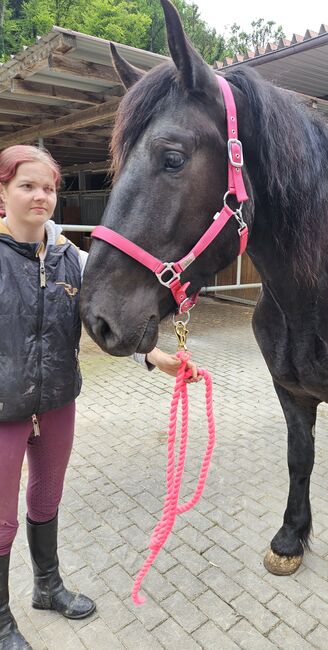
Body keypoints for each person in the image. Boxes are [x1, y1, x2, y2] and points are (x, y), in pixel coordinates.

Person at [0, 145, 199, 649]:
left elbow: (105, 318)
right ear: (3, 192)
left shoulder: (75, 259)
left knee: (46, 498)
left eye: (48, 187)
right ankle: (0, 621)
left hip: (59, 401)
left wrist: (158, 357)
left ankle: (47, 586)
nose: (40, 196)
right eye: (27, 185)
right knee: (0, 520)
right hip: (3, 408)